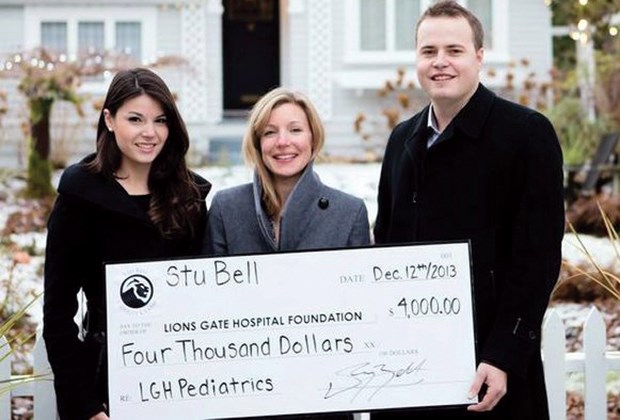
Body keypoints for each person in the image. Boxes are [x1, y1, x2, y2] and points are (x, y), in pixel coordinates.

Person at [372, 1, 564, 419]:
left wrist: (503, 355)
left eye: (454, 51)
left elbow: (538, 260)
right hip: (410, 368)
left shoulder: (526, 135)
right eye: (428, 52)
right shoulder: (400, 140)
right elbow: (384, 246)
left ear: (479, 56)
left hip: (492, 373)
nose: (440, 62)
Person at [43, 68, 211, 420]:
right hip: (105, 386)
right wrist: (87, 406)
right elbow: (58, 314)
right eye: (135, 119)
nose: (150, 133)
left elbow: (204, 299)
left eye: (160, 120)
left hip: (182, 381)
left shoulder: (188, 197)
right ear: (109, 119)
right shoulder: (80, 198)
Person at [204, 87, 370, 419]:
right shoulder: (226, 207)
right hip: (244, 395)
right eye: (270, 132)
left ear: (313, 138)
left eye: (295, 130)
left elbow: (363, 314)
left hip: (325, 397)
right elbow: (208, 308)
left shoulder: (348, 212)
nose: (283, 142)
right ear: (256, 143)